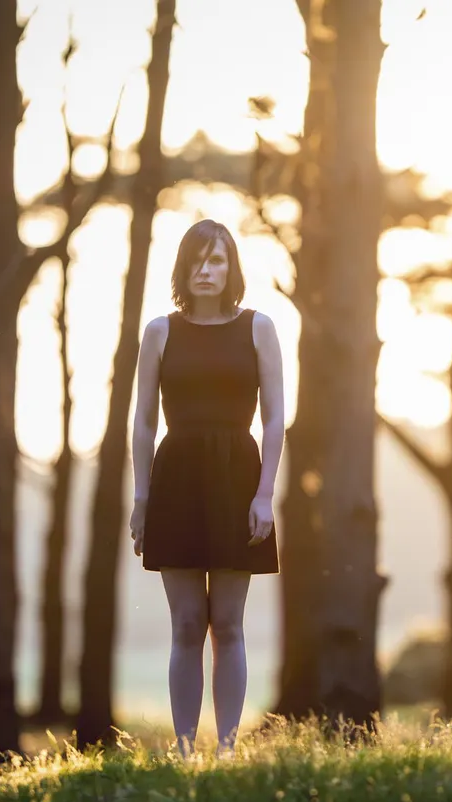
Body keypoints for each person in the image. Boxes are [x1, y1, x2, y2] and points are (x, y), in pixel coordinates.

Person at [128, 219, 284, 759]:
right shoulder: (159, 332)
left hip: (238, 477)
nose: (206, 270)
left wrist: (264, 494)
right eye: (196, 260)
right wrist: (142, 498)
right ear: (182, 269)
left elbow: (274, 418)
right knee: (188, 623)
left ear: (231, 267)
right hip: (176, 479)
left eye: (216, 260)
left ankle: (226, 749)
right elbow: (144, 421)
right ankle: (185, 748)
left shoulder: (259, 327)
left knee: (229, 623)